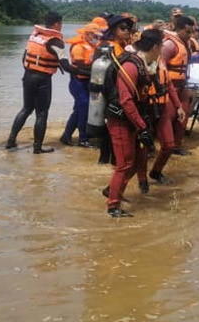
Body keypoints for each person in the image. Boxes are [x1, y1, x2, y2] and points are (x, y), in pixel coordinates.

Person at [104, 29, 163, 217]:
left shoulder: (144, 64)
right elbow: (126, 101)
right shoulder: (131, 66)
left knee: (138, 160)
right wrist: (142, 126)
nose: (161, 51)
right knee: (125, 163)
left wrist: (143, 125)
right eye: (161, 47)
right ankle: (113, 207)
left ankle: (111, 190)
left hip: (134, 118)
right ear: (155, 47)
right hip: (121, 119)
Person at [5, 12, 72, 153]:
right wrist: (87, 73)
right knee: (42, 113)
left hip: (28, 75)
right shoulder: (56, 41)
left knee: (26, 109)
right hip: (43, 79)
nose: (61, 27)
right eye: (61, 24)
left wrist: (31, 71)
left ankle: (11, 140)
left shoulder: (35, 36)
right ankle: (37, 147)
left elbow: (24, 57)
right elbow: (66, 66)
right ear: (57, 24)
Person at [149, 15, 195, 182]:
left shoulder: (186, 43)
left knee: (184, 116)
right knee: (168, 117)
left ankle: (175, 145)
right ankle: (164, 148)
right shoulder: (169, 44)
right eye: (187, 32)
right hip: (169, 86)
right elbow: (159, 65)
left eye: (192, 32)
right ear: (180, 29)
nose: (190, 35)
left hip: (181, 86)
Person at [96, 14, 136, 164]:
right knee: (110, 127)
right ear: (113, 29)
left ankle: (110, 160)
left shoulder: (123, 47)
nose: (127, 31)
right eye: (123, 28)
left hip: (119, 93)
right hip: (110, 94)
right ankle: (108, 160)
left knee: (113, 128)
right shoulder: (105, 48)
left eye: (129, 29)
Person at [61, 23, 101, 148]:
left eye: (98, 36)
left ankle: (66, 136)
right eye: (94, 35)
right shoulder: (78, 47)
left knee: (79, 110)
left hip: (86, 81)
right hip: (77, 82)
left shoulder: (93, 46)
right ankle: (82, 138)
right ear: (87, 34)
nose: (97, 38)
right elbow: (80, 66)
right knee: (84, 107)